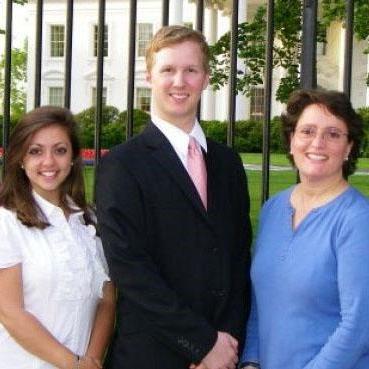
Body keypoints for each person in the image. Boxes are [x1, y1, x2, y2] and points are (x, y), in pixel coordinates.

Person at [96, 25, 252, 369]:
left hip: (223, 354)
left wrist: (225, 343)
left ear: (206, 78)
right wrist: (201, 344)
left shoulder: (228, 163)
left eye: (190, 70)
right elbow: (130, 270)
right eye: (168, 69)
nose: (179, 81)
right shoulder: (122, 165)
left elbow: (239, 259)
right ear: (150, 76)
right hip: (152, 355)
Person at [240, 89, 369, 369]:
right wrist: (251, 360)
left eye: (333, 134)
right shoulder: (272, 210)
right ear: (291, 140)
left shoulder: (358, 220)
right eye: (307, 131)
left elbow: (359, 325)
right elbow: (259, 305)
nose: (318, 143)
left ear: (348, 148)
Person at [0, 106, 116, 369]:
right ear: (20, 158)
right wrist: (73, 364)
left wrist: (93, 360)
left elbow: (107, 300)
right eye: (35, 151)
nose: (49, 162)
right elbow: (10, 312)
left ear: (74, 157)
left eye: (60, 150)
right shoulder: (6, 222)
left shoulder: (90, 222)